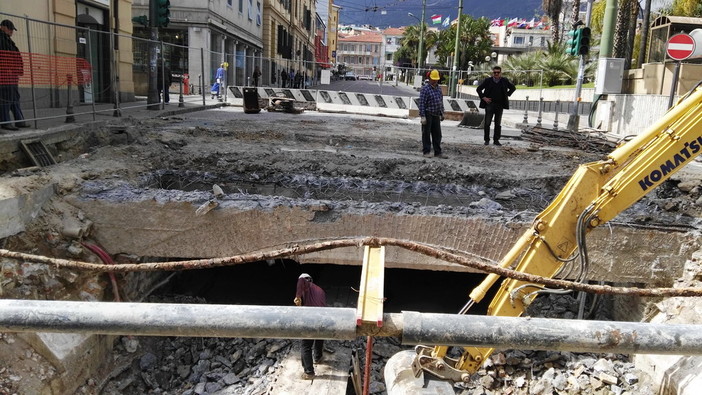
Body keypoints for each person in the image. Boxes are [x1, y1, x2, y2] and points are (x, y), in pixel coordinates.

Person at [293, 273, 326, 380]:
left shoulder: (306, 285)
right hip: (322, 318)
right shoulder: (320, 290)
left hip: (311, 319)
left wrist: (297, 297)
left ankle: (309, 372)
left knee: (306, 346)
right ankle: (318, 357)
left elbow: (301, 282)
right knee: (319, 337)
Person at [476, 66, 516, 146]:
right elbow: (479, 89)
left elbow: (513, 88)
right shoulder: (488, 81)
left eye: (498, 72)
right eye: (495, 72)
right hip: (490, 104)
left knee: (498, 123)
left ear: (500, 73)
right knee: (487, 123)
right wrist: (484, 98)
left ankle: (496, 140)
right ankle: (486, 140)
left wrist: (506, 95)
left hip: (500, 105)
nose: (496, 74)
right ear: (492, 73)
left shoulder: (504, 81)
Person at [0, 19, 28, 131]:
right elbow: (5, 57)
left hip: (11, 74)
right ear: (3, 27)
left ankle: (19, 120)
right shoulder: (2, 39)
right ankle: (5, 121)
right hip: (5, 74)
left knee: (14, 97)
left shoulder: (6, 39)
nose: (12, 31)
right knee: (6, 98)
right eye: (10, 29)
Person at [418, 69, 446, 159]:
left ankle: (438, 152)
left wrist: (442, 113)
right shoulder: (425, 89)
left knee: (437, 134)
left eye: (436, 79)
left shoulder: (438, 88)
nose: (435, 81)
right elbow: (422, 103)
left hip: (436, 114)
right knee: (426, 134)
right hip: (428, 113)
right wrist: (422, 116)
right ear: (429, 78)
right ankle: (426, 151)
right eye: (433, 79)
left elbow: (440, 101)